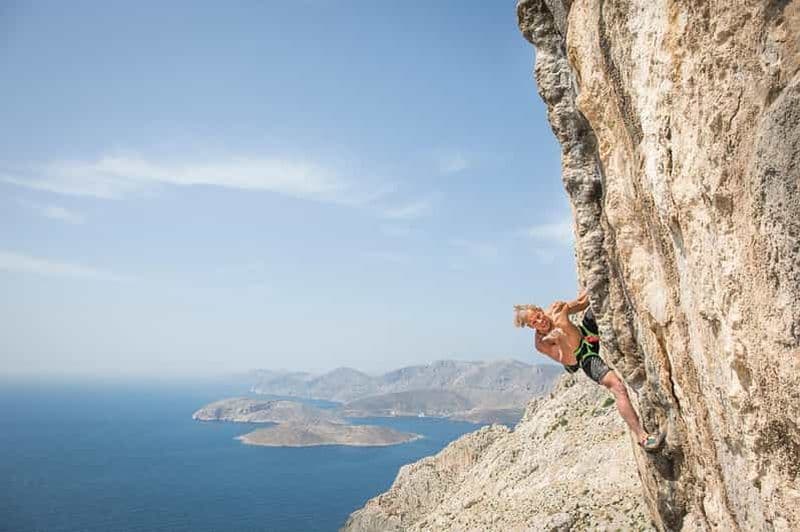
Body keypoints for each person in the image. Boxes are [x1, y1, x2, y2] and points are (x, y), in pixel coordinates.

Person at [514, 291, 663, 452]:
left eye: (538, 315)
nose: (540, 321)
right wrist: (561, 340)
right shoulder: (542, 343)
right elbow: (569, 361)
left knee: (600, 301)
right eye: (534, 322)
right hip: (581, 356)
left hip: (585, 334)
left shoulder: (555, 311)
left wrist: (588, 290)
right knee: (617, 387)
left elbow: (582, 302)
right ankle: (642, 437)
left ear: (541, 310)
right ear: (531, 327)